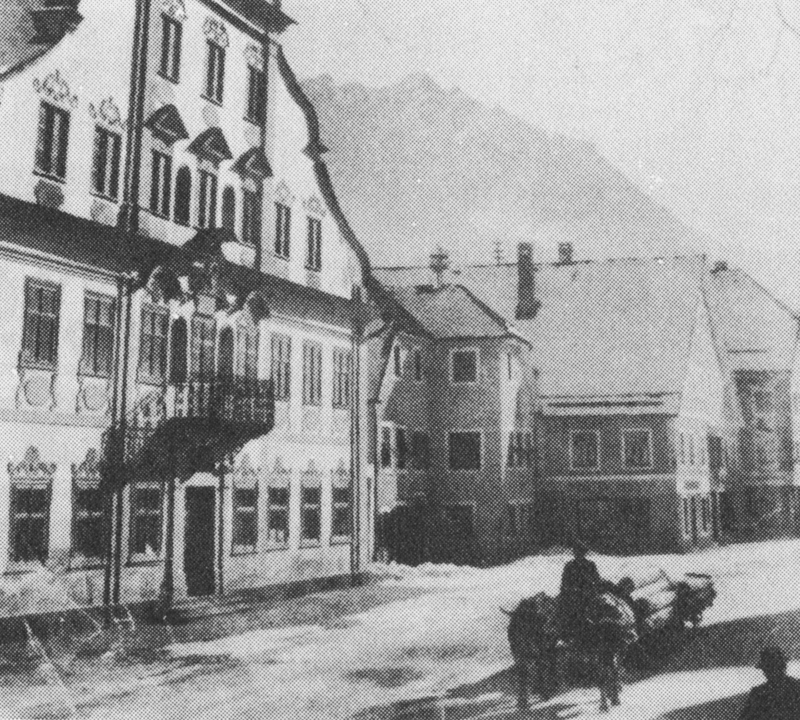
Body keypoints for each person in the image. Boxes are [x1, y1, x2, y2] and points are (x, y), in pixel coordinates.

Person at [739, 646, 800, 720]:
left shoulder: (758, 693)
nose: (771, 672)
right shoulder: (758, 693)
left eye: (775, 668)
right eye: (768, 668)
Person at [559, 540, 601, 639]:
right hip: (573, 596)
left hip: (587, 595)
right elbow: (564, 583)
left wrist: (591, 590)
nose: (578, 554)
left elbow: (597, 581)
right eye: (576, 551)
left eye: (580, 551)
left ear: (584, 552)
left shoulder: (590, 565)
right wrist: (569, 591)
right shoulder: (569, 566)